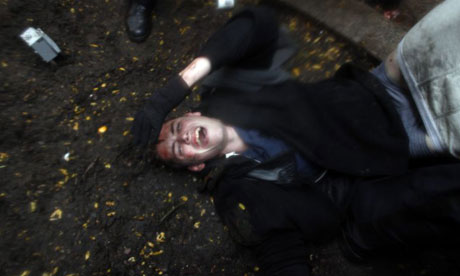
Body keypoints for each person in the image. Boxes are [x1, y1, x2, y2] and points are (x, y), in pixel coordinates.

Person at [132, 1, 460, 275]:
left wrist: (174, 89)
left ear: (192, 115)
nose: (185, 138)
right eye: (180, 149)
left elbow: (257, 23)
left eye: (177, 128)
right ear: (195, 165)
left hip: (383, 85)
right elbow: (279, 255)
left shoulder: (227, 92)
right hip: (406, 150)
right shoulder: (238, 189)